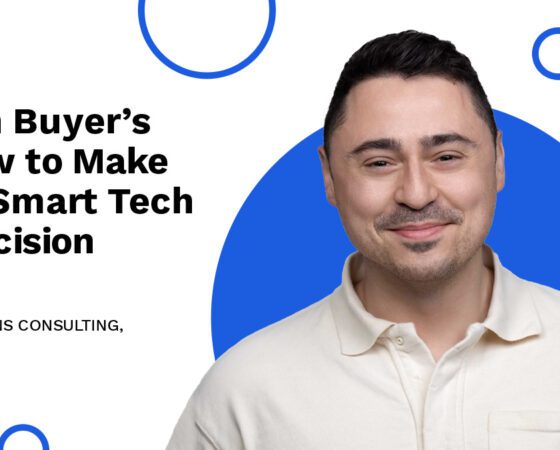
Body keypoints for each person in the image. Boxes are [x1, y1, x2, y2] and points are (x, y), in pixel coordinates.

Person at [166, 30, 560, 450]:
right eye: (379, 162)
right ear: (329, 177)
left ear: (498, 161)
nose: (416, 193)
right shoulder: (243, 391)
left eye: (446, 157)